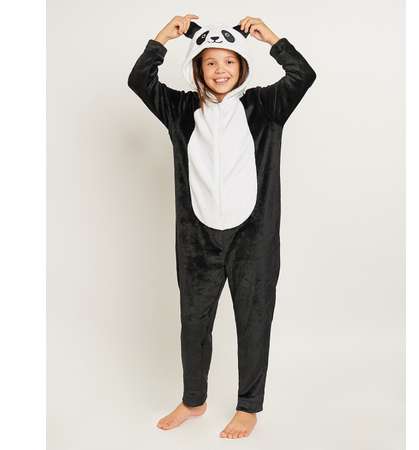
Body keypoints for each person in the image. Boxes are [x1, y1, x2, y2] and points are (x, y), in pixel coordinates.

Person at [128, 14, 317, 439]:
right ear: (197, 67)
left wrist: (272, 39)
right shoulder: (180, 110)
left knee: (253, 319)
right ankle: (193, 400)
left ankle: (248, 406)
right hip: (197, 238)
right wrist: (164, 37)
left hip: (253, 237)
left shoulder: (265, 107)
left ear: (242, 65)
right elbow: (140, 80)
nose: (220, 70)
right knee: (194, 321)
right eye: (210, 62)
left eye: (229, 61)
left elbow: (303, 75)